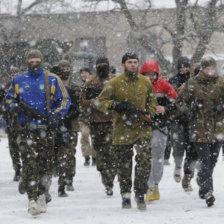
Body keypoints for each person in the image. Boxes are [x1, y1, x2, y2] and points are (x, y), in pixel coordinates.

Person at [5, 49, 71, 216]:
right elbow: (9, 98)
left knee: (46, 164)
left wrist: (56, 115)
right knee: (29, 163)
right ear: (27, 62)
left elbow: (64, 100)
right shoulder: (19, 80)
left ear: (42, 61)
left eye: (37, 61)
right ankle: (32, 198)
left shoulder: (52, 79)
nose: (34, 64)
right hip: (27, 129)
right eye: (31, 61)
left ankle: (42, 194)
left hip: (46, 129)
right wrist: (13, 106)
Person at [97, 52, 157, 210]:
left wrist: (149, 113)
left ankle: (140, 193)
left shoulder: (145, 82)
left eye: (135, 62)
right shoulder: (115, 83)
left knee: (145, 160)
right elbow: (100, 102)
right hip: (122, 128)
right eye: (130, 62)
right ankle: (125, 194)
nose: (133, 65)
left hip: (142, 128)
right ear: (124, 64)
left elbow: (152, 99)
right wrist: (115, 105)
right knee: (124, 164)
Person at [176, 56, 223, 207]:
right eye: (207, 68)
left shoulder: (221, 83)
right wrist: (188, 111)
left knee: (213, 160)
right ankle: (208, 191)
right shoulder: (192, 84)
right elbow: (179, 100)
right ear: (202, 68)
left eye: (212, 69)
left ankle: (203, 185)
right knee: (205, 160)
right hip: (199, 128)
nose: (210, 72)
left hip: (218, 128)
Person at [139, 59, 177, 202]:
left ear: (156, 73)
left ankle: (154, 184)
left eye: (152, 74)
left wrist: (165, 109)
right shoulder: (138, 85)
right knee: (144, 158)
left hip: (160, 127)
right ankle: (146, 186)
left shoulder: (164, 85)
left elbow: (176, 102)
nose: (150, 77)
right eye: (147, 74)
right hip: (142, 126)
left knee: (157, 157)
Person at [80, 56, 117, 197]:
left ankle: (110, 182)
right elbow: (82, 101)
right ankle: (103, 173)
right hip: (96, 122)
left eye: (104, 64)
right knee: (100, 154)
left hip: (112, 122)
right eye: (100, 64)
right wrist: (93, 101)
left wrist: (110, 102)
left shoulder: (115, 80)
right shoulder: (90, 82)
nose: (102, 66)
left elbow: (122, 97)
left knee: (112, 153)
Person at [169, 56, 198, 192]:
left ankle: (188, 178)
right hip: (177, 120)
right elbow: (171, 100)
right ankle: (178, 166)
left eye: (186, 66)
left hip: (193, 121)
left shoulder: (194, 81)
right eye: (181, 66)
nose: (183, 69)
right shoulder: (172, 81)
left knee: (193, 152)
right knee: (178, 147)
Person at [53, 60, 80, 197]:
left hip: (69, 126)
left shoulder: (72, 88)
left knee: (68, 154)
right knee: (54, 154)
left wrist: (65, 117)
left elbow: (77, 108)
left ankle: (66, 181)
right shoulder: (50, 88)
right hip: (53, 126)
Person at [2, 67, 22, 181]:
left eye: (16, 74)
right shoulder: (6, 88)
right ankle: (17, 169)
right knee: (13, 149)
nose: (14, 76)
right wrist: (6, 113)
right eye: (12, 74)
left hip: (22, 123)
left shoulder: (24, 86)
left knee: (23, 146)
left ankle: (26, 170)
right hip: (11, 123)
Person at [79, 67, 96, 166]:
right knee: (85, 136)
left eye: (85, 72)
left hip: (93, 116)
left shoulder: (93, 85)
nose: (83, 74)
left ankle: (94, 156)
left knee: (94, 137)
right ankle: (86, 156)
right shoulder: (79, 86)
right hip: (82, 117)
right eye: (82, 73)